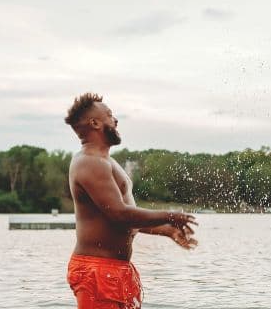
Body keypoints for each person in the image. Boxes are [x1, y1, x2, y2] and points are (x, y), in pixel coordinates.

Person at [64, 92, 198, 309]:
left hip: (117, 270)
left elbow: (123, 220)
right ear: (95, 123)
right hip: (97, 271)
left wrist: (166, 229)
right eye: (109, 115)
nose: (115, 120)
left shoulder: (106, 162)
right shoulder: (89, 163)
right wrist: (169, 215)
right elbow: (120, 213)